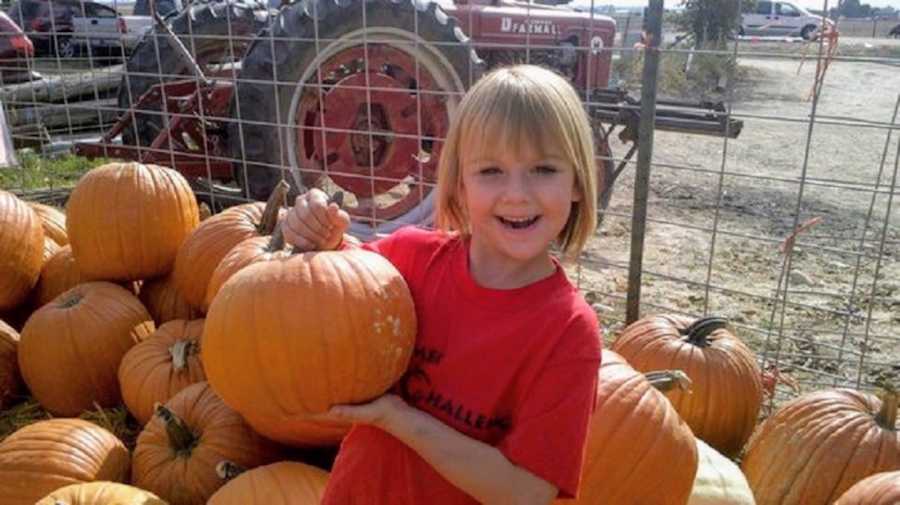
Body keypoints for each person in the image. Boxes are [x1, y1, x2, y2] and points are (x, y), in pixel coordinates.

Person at [283, 64, 602, 504]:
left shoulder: (568, 331)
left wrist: (400, 419)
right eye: (490, 171)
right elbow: (318, 286)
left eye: (543, 169)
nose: (517, 193)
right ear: (458, 183)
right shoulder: (408, 259)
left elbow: (527, 492)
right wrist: (310, 231)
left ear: (578, 184)